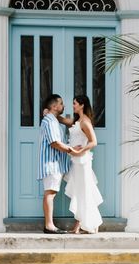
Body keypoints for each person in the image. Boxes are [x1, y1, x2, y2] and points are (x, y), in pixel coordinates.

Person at [37, 94, 77, 234]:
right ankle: (49, 226)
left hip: (57, 163)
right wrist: (71, 150)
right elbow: (54, 142)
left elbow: (72, 124)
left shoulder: (53, 119)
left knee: (52, 192)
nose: (63, 106)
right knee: (50, 193)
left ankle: (51, 224)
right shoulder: (49, 121)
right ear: (54, 106)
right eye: (61, 103)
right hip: (51, 163)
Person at [64, 95, 103, 234]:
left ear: (81, 105)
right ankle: (87, 224)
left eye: (74, 103)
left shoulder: (85, 121)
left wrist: (79, 151)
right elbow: (65, 121)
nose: (73, 105)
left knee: (84, 192)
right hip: (76, 162)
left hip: (82, 162)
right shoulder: (77, 120)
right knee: (80, 192)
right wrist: (51, 114)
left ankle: (85, 224)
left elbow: (94, 142)